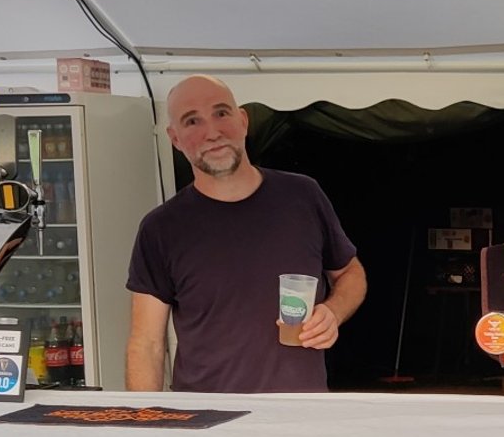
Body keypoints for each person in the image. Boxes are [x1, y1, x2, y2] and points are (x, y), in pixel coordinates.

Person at [126, 75, 367, 393]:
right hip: (208, 422)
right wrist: (145, 427)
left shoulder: (303, 197)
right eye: (192, 121)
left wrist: (331, 312)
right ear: (175, 138)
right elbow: (146, 344)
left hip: (300, 416)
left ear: (242, 120)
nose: (212, 132)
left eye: (221, 113)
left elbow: (350, 272)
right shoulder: (161, 229)